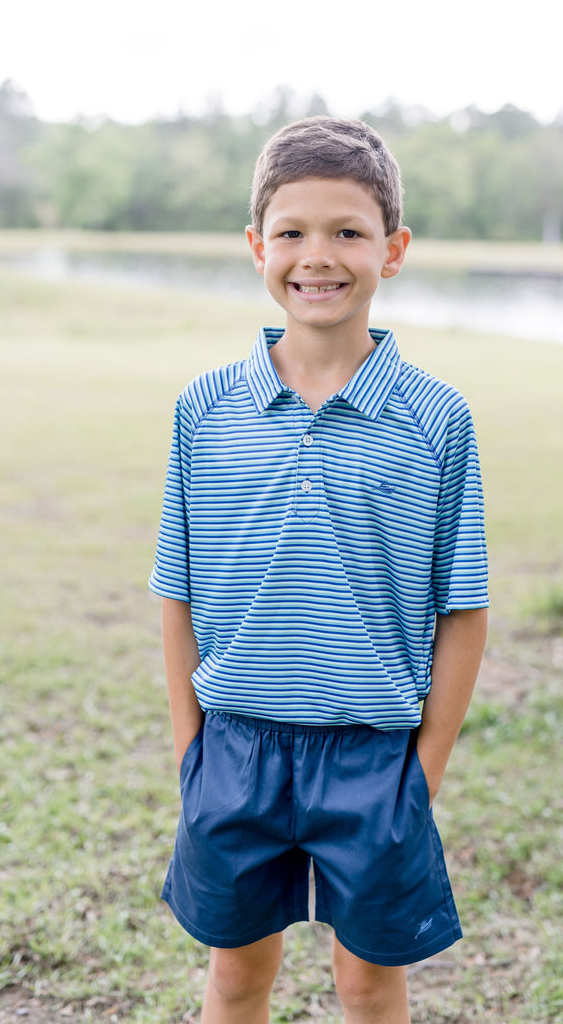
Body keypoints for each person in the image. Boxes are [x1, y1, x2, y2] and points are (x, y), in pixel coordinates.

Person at [149, 116, 489, 1024]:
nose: (318, 256)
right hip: (236, 747)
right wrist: (192, 751)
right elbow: (177, 594)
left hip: (373, 756)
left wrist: (425, 770)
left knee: (368, 981)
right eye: (292, 231)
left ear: (395, 249)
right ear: (257, 245)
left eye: (348, 231)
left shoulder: (436, 419)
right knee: (233, 976)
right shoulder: (205, 410)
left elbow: (462, 610)